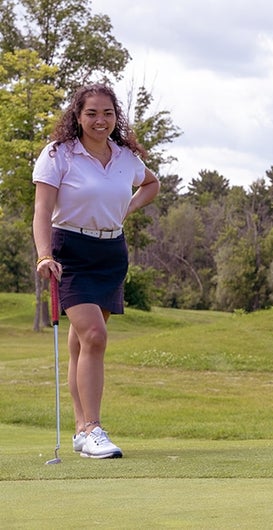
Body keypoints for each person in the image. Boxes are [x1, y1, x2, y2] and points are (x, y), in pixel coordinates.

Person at [32, 83, 160, 459]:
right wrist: (43, 255)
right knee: (94, 334)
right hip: (69, 250)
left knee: (83, 343)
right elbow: (42, 211)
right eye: (91, 113)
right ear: (78, 115)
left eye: (107, 113)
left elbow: (152, 184)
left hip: (111, 252)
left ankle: (80, 431)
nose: (100, 120)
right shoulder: (59, 155)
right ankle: (93, 428)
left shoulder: (125, 158)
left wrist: (126, 210)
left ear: (115, 116)